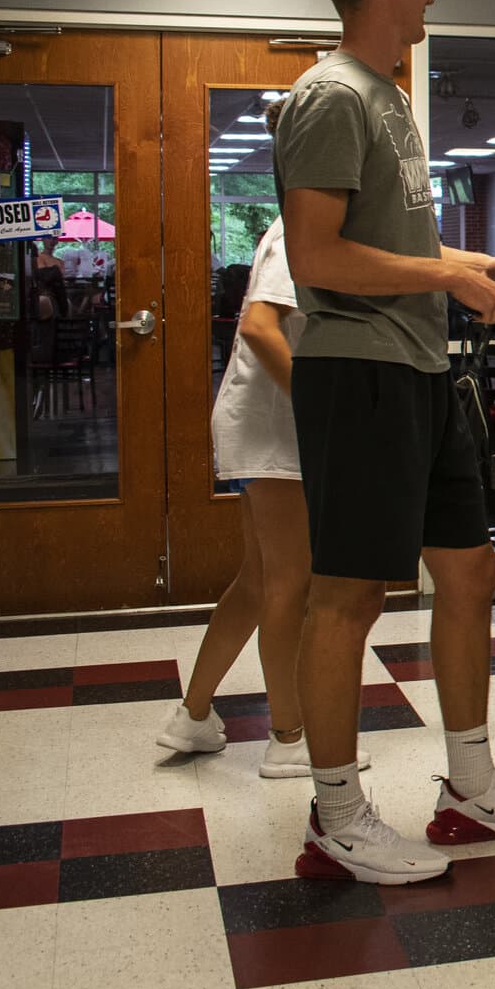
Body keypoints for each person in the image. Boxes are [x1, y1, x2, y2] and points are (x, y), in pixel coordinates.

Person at [276, 0, 495, 885]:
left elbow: (388, 243)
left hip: (421, 369)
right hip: (358, 369)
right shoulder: (330, 96)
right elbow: (317, 256)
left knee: (471, 575)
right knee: (352, 593)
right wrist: (445, 280)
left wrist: (458, 260)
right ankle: (335, 811)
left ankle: (471, 782)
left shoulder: (390, 97)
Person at [153, 215, 346, 777]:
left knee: (258, 581)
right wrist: (317, 410)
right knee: (291, 582)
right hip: (277, 429)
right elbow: (263, 328)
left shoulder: (312, 226)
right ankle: (289, 738)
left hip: (267, 424)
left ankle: (192, 716)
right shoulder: (297, 233)